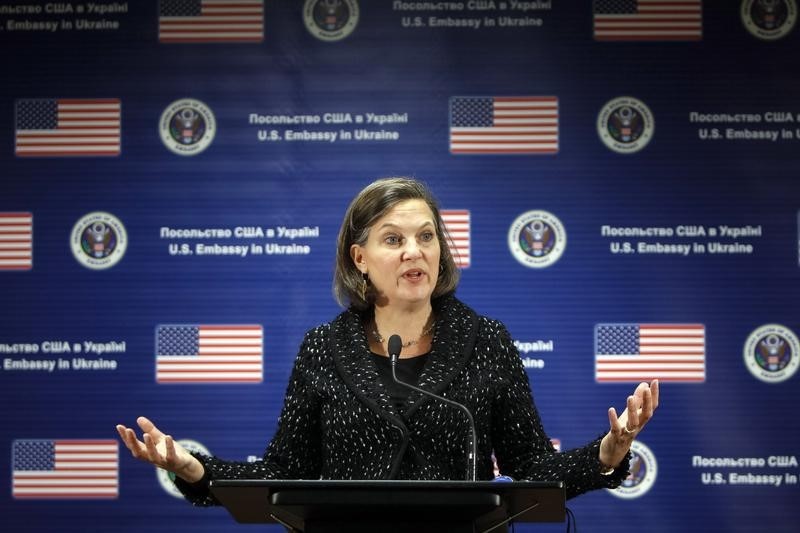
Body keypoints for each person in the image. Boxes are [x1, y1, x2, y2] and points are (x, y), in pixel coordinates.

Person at [117, 177, 658, 506]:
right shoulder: (323, 349)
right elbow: (282, 471)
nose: (414, 252)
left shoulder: (486, 340)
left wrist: (607, 455)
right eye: (393, 239)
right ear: (360, 258)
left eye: (426, 237)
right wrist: (194, 468)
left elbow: (535, 468)